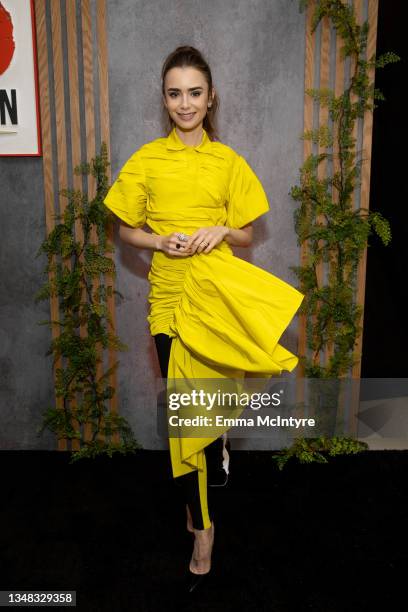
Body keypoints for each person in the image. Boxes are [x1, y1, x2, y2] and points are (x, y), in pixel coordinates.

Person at [103, 45, 304, 592]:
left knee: (204, 410)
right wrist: (158, 240)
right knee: (185, 415)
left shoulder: (228, 161)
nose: (185, 103)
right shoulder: (147, 159)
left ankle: (207, 483)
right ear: (164, 100)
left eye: (195, 93)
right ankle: (204, 530)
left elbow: (245, 233)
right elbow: (125, 231)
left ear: (210, 97)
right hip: (168, 300)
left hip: (215, 295)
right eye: (175, 93)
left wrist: (221, 232)